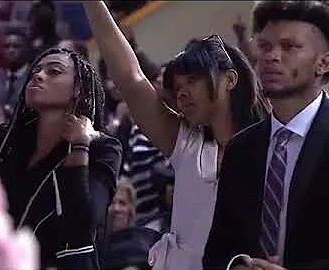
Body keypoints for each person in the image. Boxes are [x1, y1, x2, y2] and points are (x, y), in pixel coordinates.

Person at [0, 2, 122, 269]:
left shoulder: (101, 147)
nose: (38, 75)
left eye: (53, 72)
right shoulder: (4, 141)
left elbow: (81, 224)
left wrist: (80, 147)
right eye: (36, 70)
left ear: (79, 91)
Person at [203, 1, 329, 269]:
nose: (272, 56)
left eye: (289, 47)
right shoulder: (242, 147)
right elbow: (217, 248)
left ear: (324, 63)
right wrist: (236, 265)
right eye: (264, 46)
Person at [82, 1, 269, 269]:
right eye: (177, 87)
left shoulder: (273, 148)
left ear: (230, 80)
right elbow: (130, 77)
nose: (181, 93)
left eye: (192, 81)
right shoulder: (188, 143)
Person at [0, 25, 30, 118]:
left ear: (26, 49)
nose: (11, 50)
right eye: (7, 46)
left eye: (16, 46)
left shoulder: (34, 79)